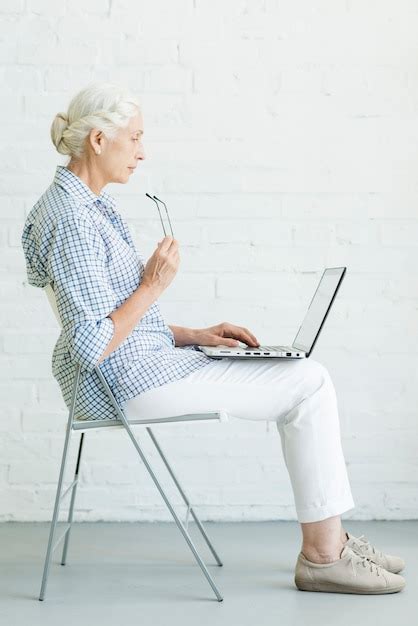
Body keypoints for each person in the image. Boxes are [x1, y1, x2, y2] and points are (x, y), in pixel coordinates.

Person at [21, 82, 405, 595]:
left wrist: (193, 334)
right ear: (97, 140)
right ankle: (323, 554)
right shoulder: (71, 219)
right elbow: (93, 344)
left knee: (305, 377)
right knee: (309, 382)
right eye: (134, 137)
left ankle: (330, 539)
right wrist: (153, 285)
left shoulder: (85, 207)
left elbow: (108, 319)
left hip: (141, 364)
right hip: (127, 382)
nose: (142, 150)